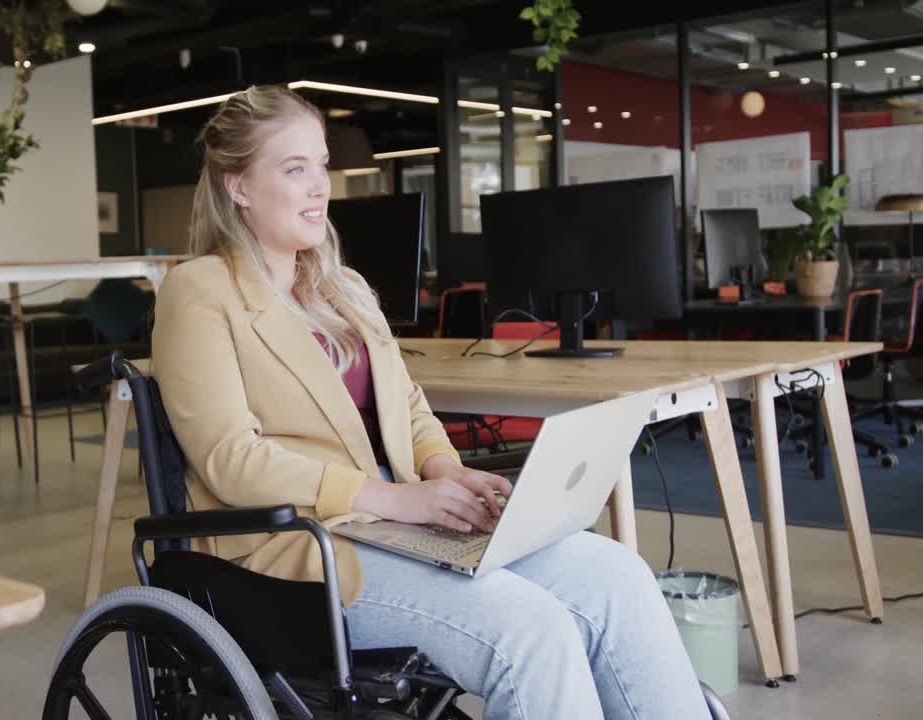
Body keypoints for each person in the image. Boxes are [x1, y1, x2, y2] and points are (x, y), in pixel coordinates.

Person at [150, 85, 710, 720]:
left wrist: (444, 470)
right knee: (530, 630)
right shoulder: (199, 292)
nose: (319, 187)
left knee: (618, 578)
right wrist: (391, 497)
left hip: (402, 521)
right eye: (294, 168)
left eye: (322, 165)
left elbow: (409, 406)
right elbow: (231, 458)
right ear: (238, 187)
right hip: (300, 548)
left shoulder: (343, 287)